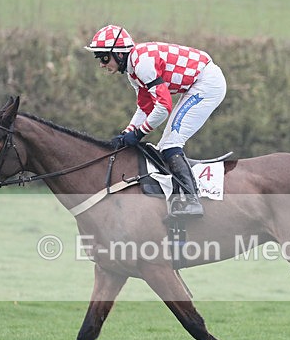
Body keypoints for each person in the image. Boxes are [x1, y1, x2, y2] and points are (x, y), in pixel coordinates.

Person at [84, 24, 227, 217]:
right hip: (199, 82)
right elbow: (146, 107)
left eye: (104, 57)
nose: (101, 63)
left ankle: (192, 201)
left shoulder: (142, 65)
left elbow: (163, 107)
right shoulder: (134, 71)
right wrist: (127, 132)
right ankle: (180, 197)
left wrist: (139, 133)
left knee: (170, 144)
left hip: (207, 84)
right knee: (165, 145)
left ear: (119, 53)